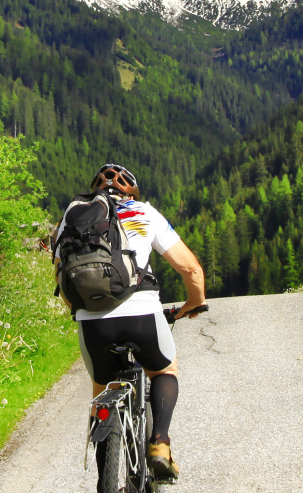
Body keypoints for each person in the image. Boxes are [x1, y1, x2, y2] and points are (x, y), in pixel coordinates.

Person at [52, 163, 206, 482]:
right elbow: (191, 270)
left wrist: (80, 311)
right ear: (130, 191)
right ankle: (160, 444)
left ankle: (103, 480)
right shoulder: (144, 213)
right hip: (142, 314)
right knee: (165, 370)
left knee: (101, 392)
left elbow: (61, 274)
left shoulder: (72, 216)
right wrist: (194, 303)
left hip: (92, 322)